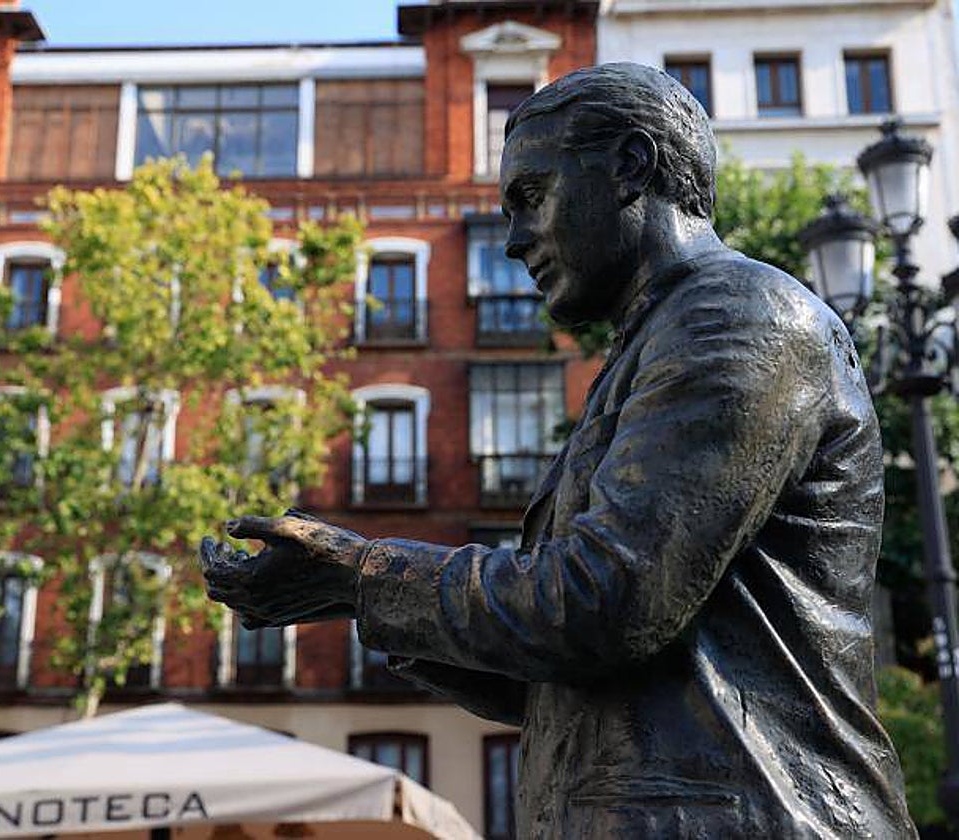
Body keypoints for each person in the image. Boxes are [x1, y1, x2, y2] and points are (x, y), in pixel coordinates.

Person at [200, 62, 915, 838]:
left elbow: (606, 602)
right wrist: (352, 594)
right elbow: (558, 676)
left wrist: (367, 571)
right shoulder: (656, 347)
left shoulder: (740, 318)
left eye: (531, 197)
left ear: (630, 168)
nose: (512, 242)